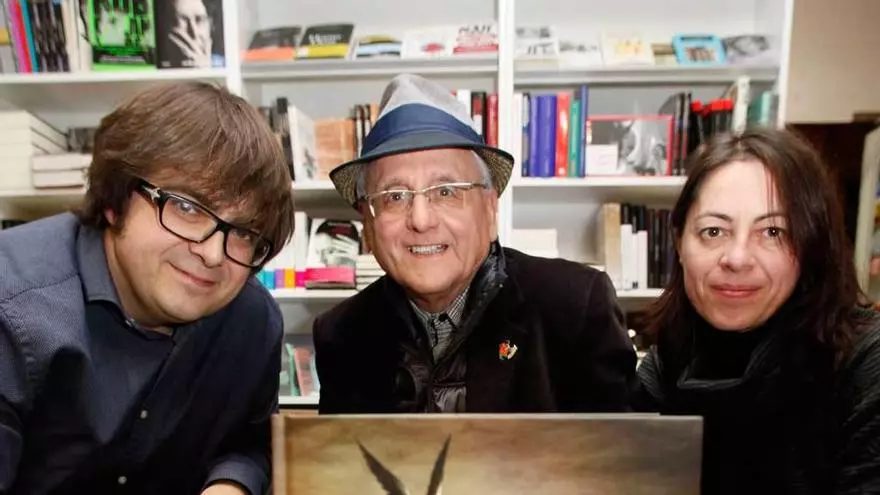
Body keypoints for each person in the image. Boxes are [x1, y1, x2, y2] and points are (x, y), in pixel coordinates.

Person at [0, 82, 295, 495]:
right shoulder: (12, 304)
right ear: (115, 200)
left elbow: (250, 441)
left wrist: (231, 485)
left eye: (244, 232)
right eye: (187, 207)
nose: (213, 254)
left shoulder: (252, 319)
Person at [312, 73, 636, 414]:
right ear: (367, 223)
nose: (421, 220)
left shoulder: (576, 308)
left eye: (446, 191)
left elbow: (624, 447)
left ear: (490, 208)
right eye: (394, 196)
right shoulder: (341, 334)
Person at [633, 128, 880, 493]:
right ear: (679, 243)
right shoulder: (667, 363)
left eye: (773, 232)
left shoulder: (865, 363)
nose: (737, 258)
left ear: (812, 246)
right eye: (713, 231)